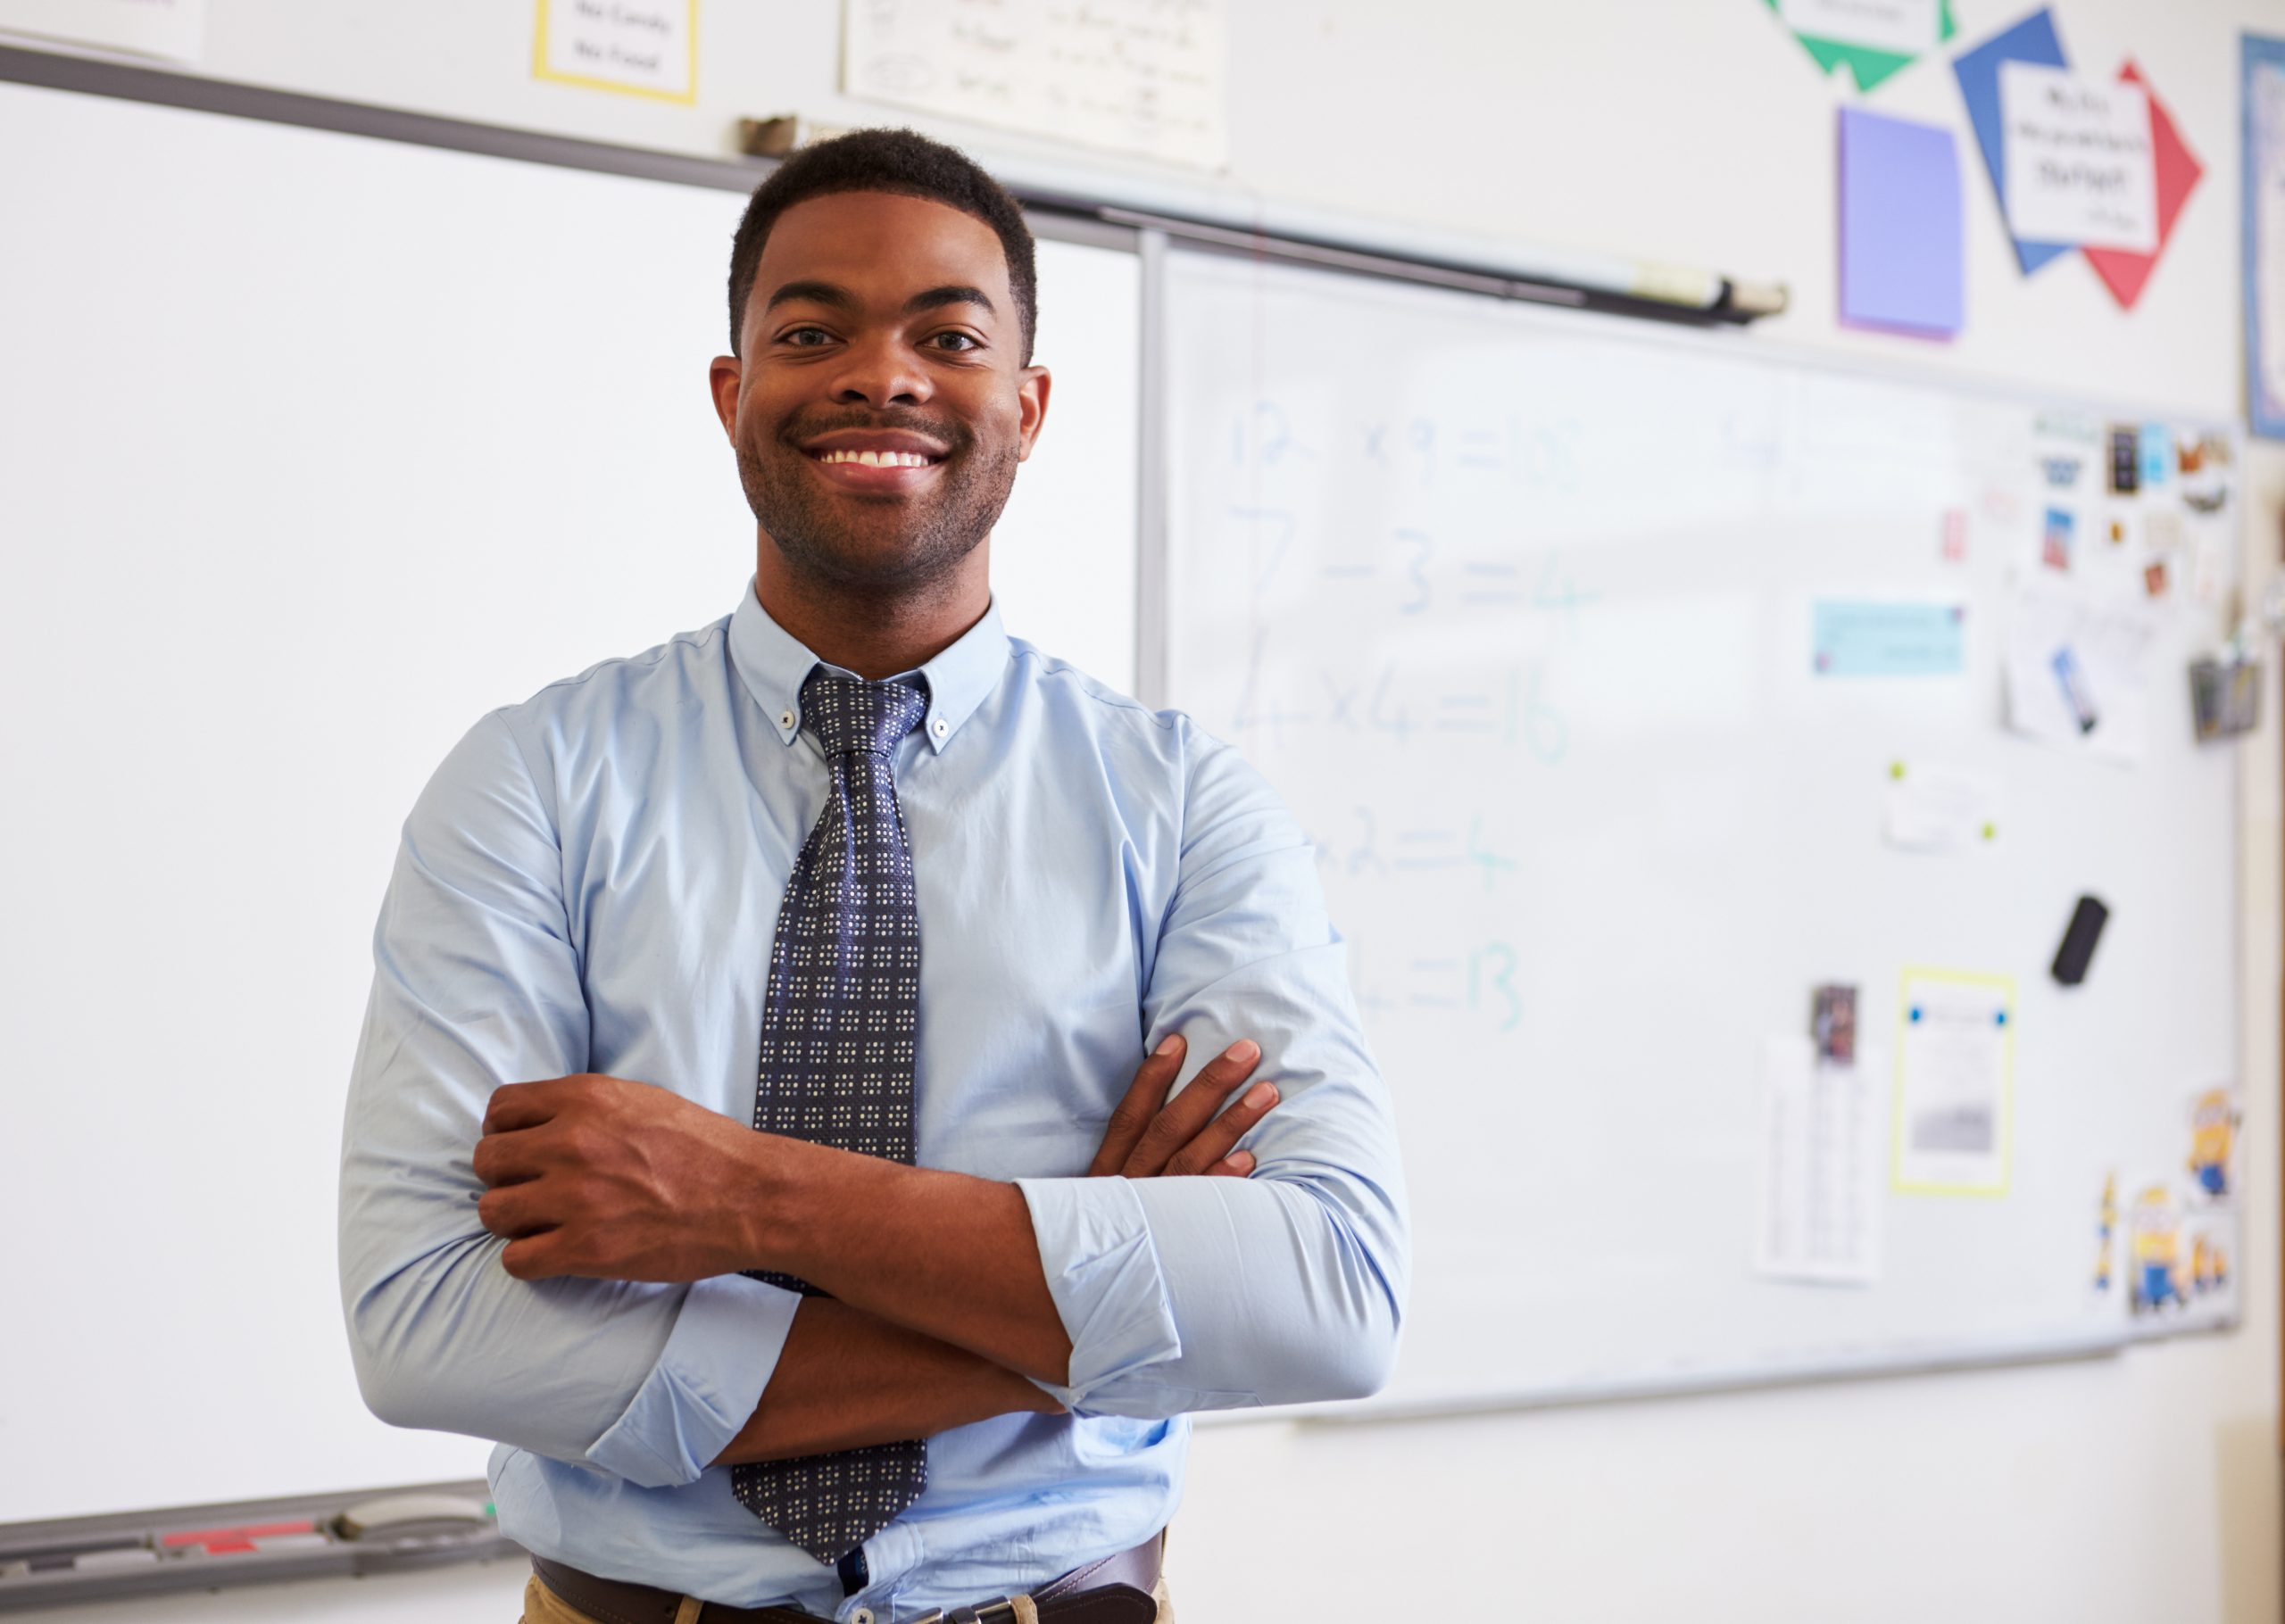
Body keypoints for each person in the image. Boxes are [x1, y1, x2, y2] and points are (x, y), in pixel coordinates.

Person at [337, 127, 1408, 1624]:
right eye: (810, 330)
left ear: (1027, 409)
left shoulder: (1185, 807)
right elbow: (429, 1329)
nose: (881, 376)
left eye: (950, 336)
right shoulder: (532, 781)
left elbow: (1332, 1295)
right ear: (734, 396)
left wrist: (746, 1199)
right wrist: (1082, 1285)